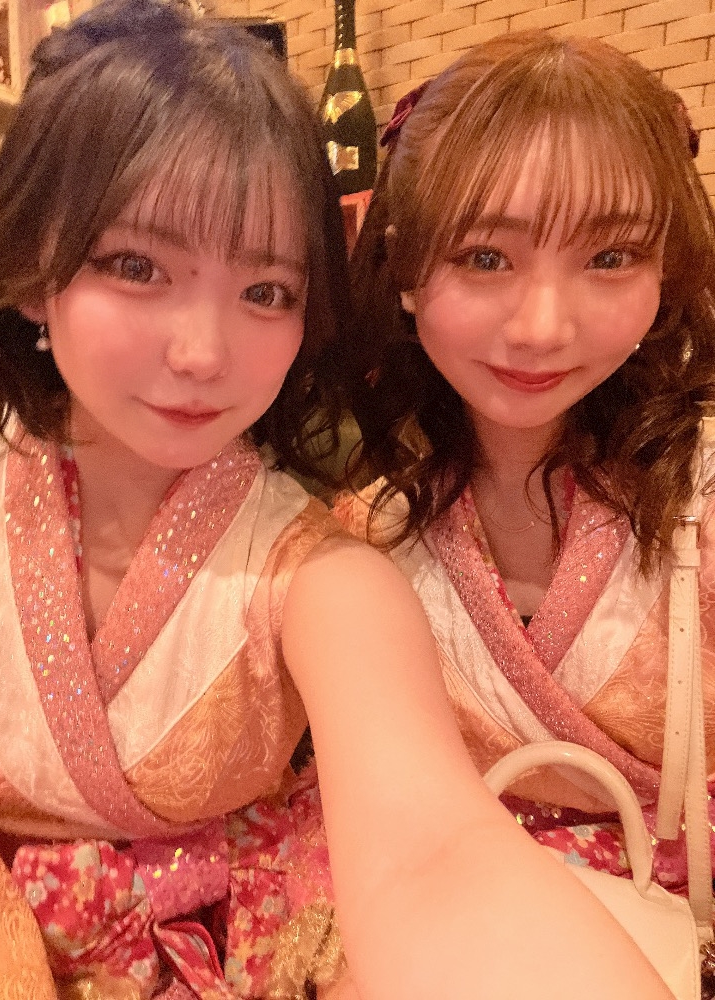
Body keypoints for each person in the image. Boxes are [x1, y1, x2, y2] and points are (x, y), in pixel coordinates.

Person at [0, 6, 677, 998]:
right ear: (36, 269)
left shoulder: (325, 573)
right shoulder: (386, 510)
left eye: (266, 290)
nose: (203, 352)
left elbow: (433, 853)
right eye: (136, 266)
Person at [338, 25, 715, 990]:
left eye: (610, 256)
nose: (543, 327)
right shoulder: (365, 528)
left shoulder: (703, 498)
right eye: (485, 257)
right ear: (405, 271)